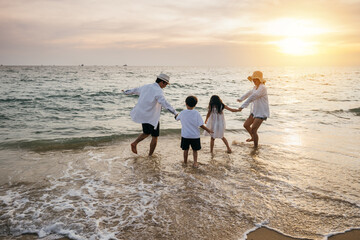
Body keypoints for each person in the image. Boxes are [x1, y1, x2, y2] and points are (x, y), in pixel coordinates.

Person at [123, 73, 178, 156]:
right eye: (166, 84)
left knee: (146, 132)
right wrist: (175, 113)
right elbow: (165, 104)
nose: (166, 86)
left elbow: (134, 90)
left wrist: (125, 92)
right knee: (155, 136)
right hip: (152, 117)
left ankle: (134, 143)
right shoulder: (158, 91)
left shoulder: (146, 86)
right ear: (162, 82)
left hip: (143, 115)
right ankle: (150, 155)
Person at [176, 96, 213, 168]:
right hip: (195, 135)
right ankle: (195, 162)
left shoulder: (182, 112)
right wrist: (208, 130)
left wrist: (176, 114)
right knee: (195, 150)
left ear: (185, 103)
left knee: (185, 150)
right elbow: (201, 125)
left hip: (185, 135)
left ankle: (185, 162)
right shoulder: (196, 113)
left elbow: (177, 118)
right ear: (195, 105)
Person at [237, 71, 270, 148]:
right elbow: (249, 93)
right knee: (246, 125)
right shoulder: (255, 87)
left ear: (260, 80)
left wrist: (242, 106)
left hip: (261, 113)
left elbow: (253, 96)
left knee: (254, 130)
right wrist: (241, 99)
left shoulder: (263, 88)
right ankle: (253, 137)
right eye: (253, 79)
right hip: (254, 111)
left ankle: (255, 147)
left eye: (256, 79)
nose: (254, 81)